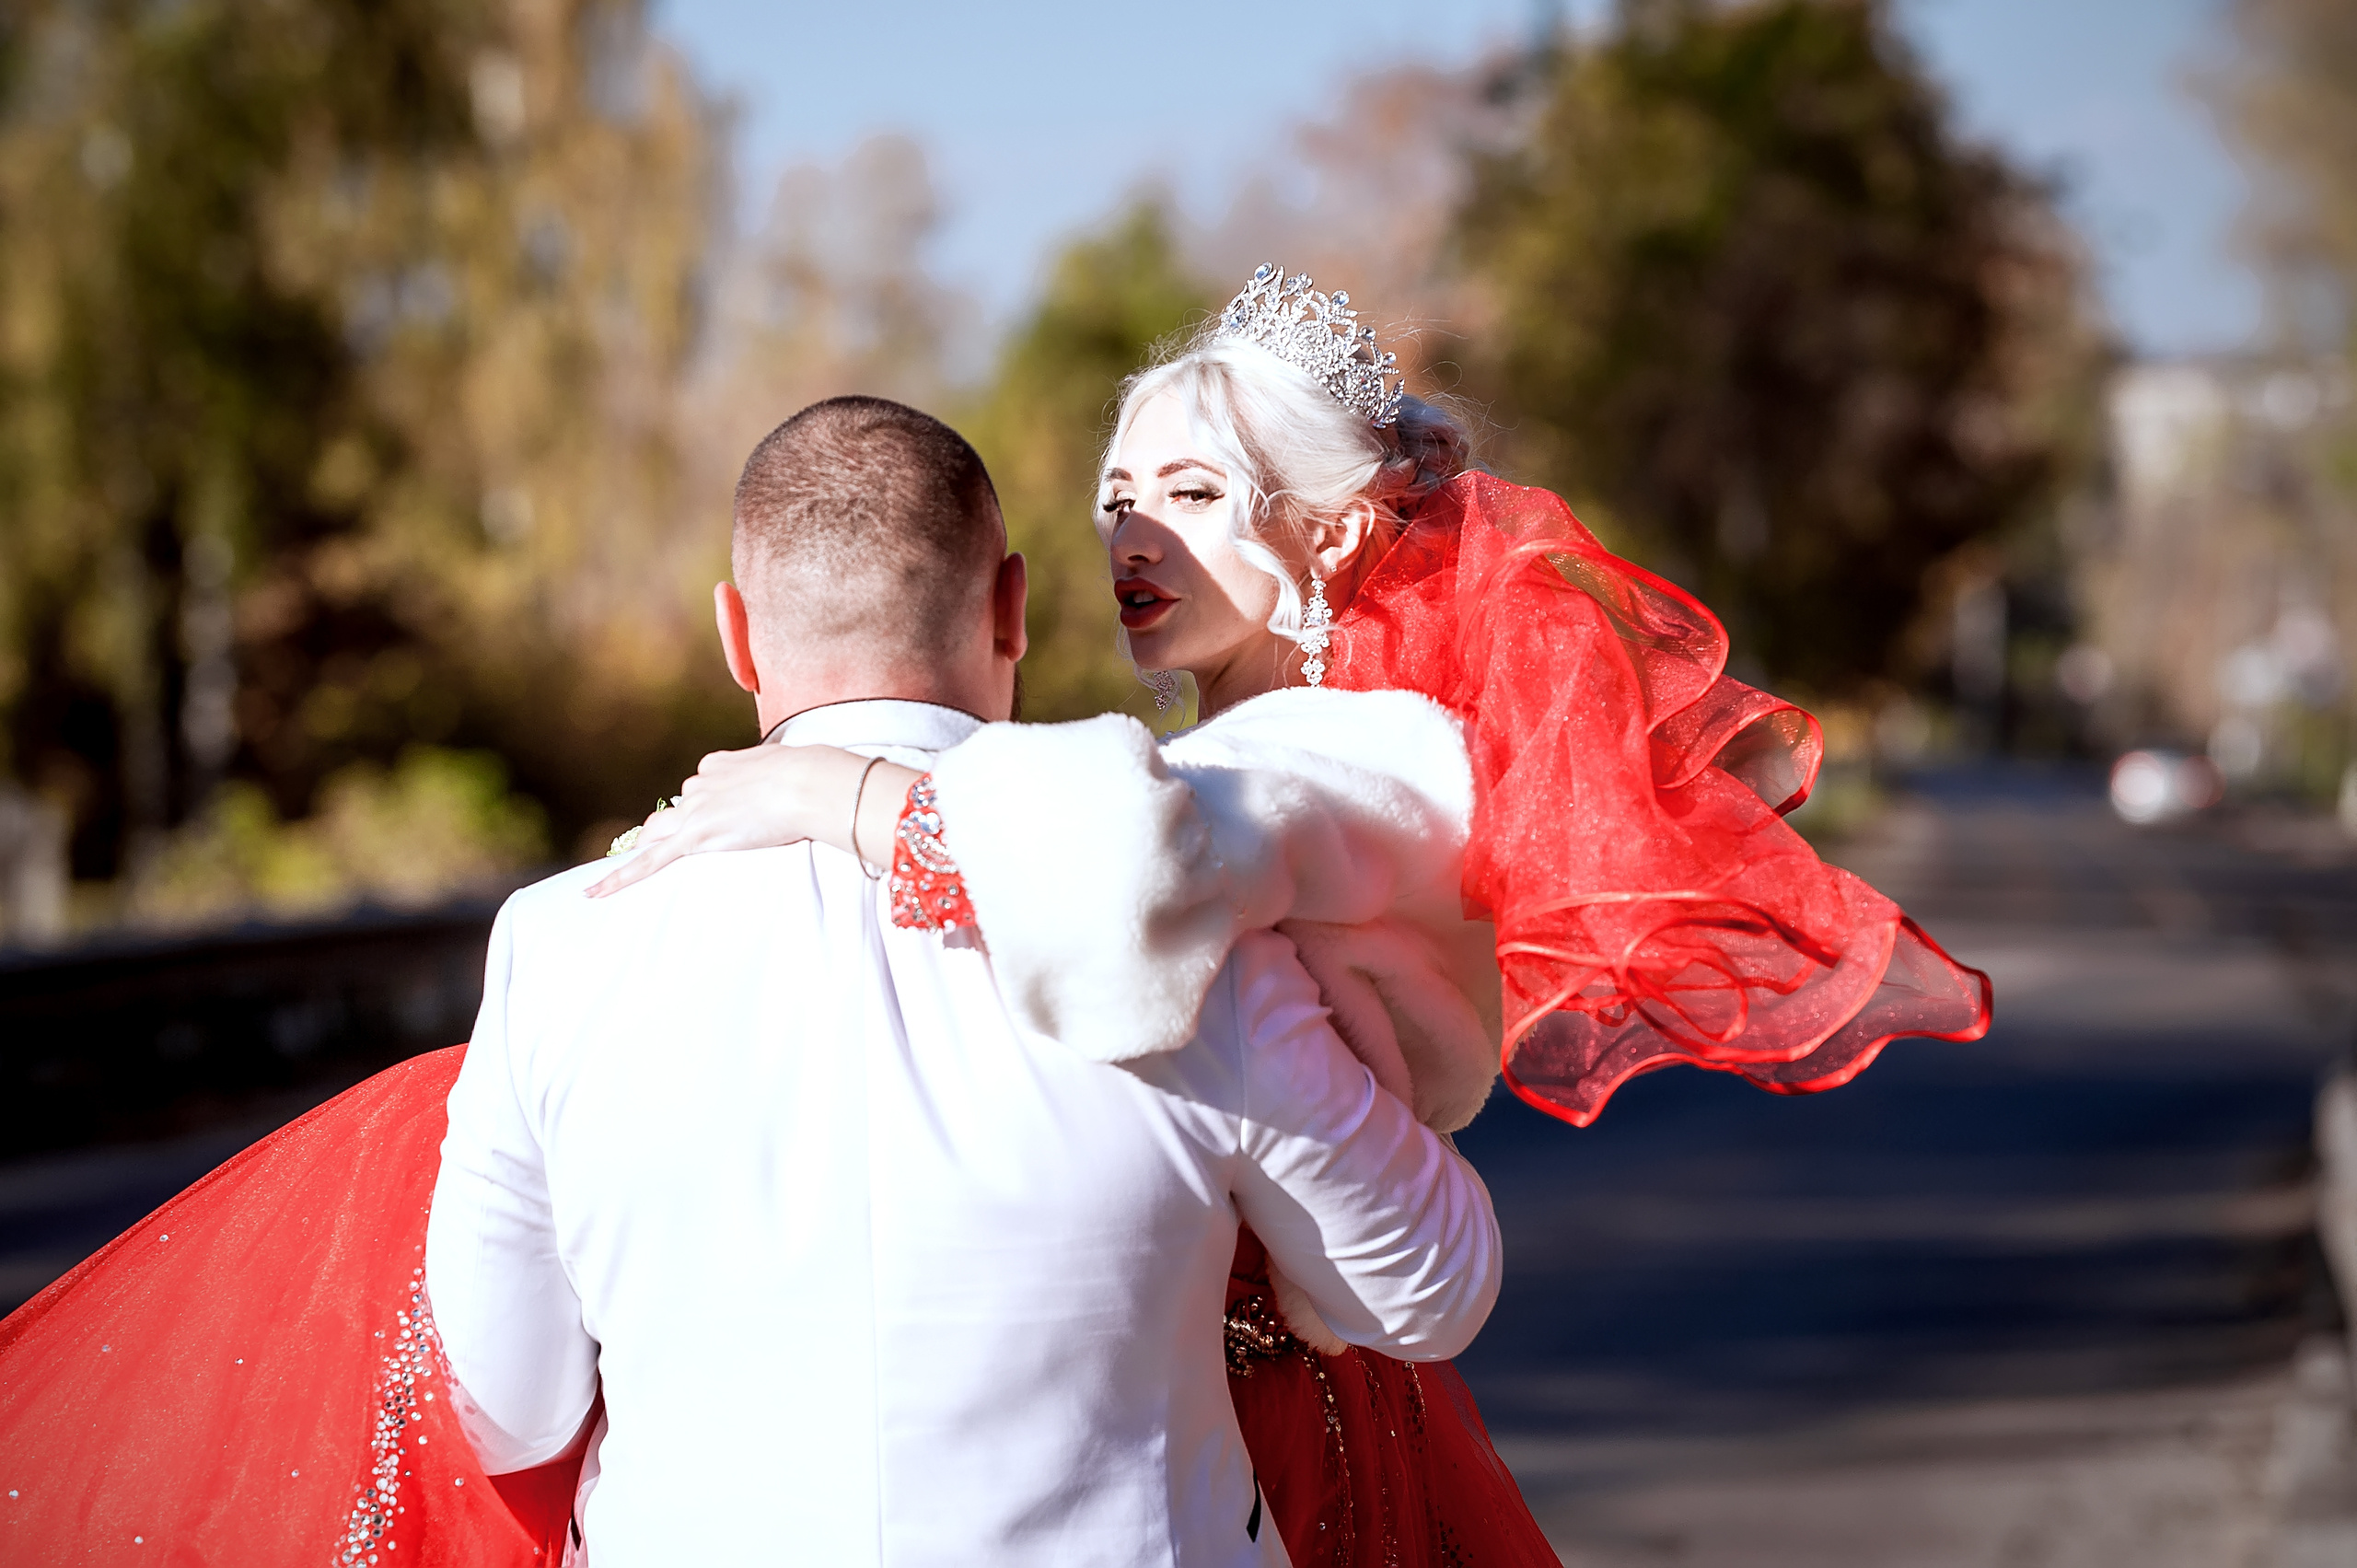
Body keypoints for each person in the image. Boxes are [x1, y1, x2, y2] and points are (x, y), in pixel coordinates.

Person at [598, 264, 1996, 1565]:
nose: (1134, 537)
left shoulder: (1340, 755)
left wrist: (832, 793)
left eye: (1194, 495)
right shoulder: (1229, 768)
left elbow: (1128, 887)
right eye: (1115, 499)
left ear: (1324, 529)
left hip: (1274, 1412)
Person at [0, 397, 1503, 1567]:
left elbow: (506, 1402)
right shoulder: (1168, 916)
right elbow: (1427, 1287)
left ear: (737, 634)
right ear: (1011, 613)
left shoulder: (562, 946)